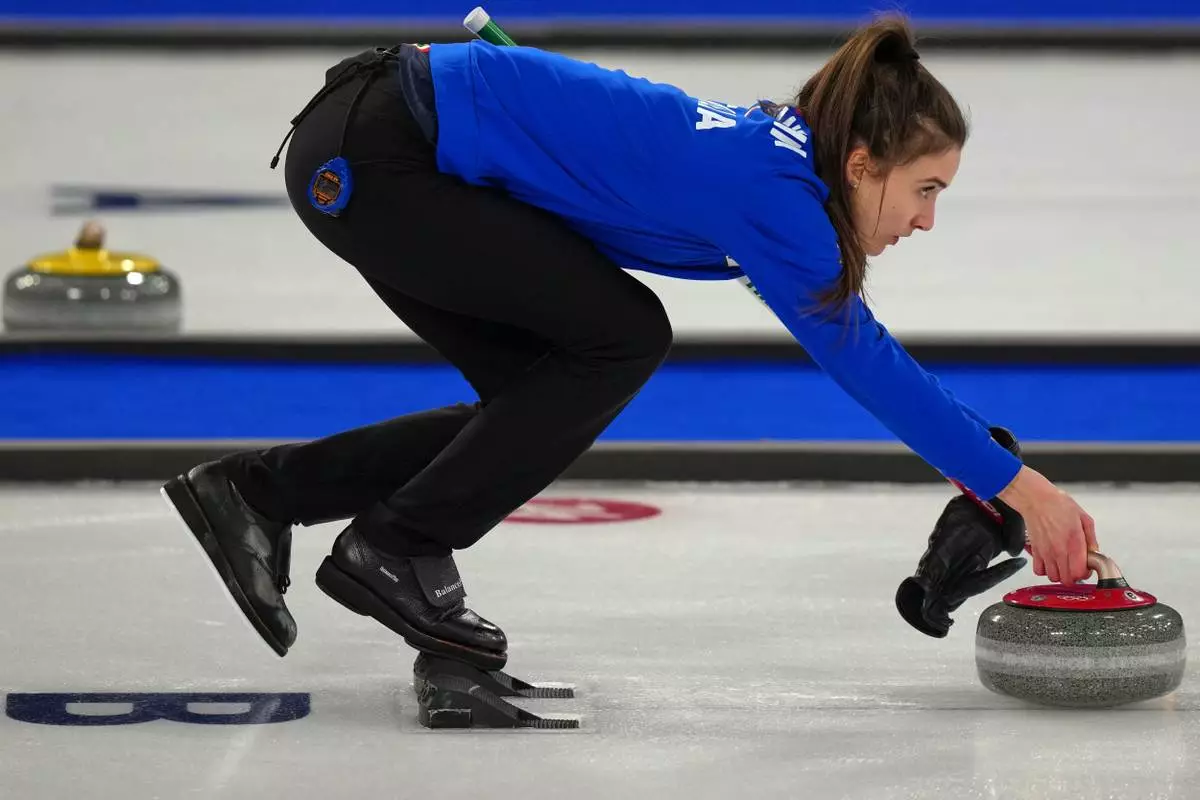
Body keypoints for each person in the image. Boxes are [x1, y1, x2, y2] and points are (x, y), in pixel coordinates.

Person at [162, 14, 1099, 663]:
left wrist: (983, 465)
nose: (928, 220)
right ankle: (396, 548)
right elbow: (859, 357)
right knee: (619, 336)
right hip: (378, 153)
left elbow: (866, 355)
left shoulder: (784, 158)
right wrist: (1020, 486)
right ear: (863, 165)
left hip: (374, 138)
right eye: (926, 190)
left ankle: (259, 493)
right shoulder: (779, 197)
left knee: (542, 389)